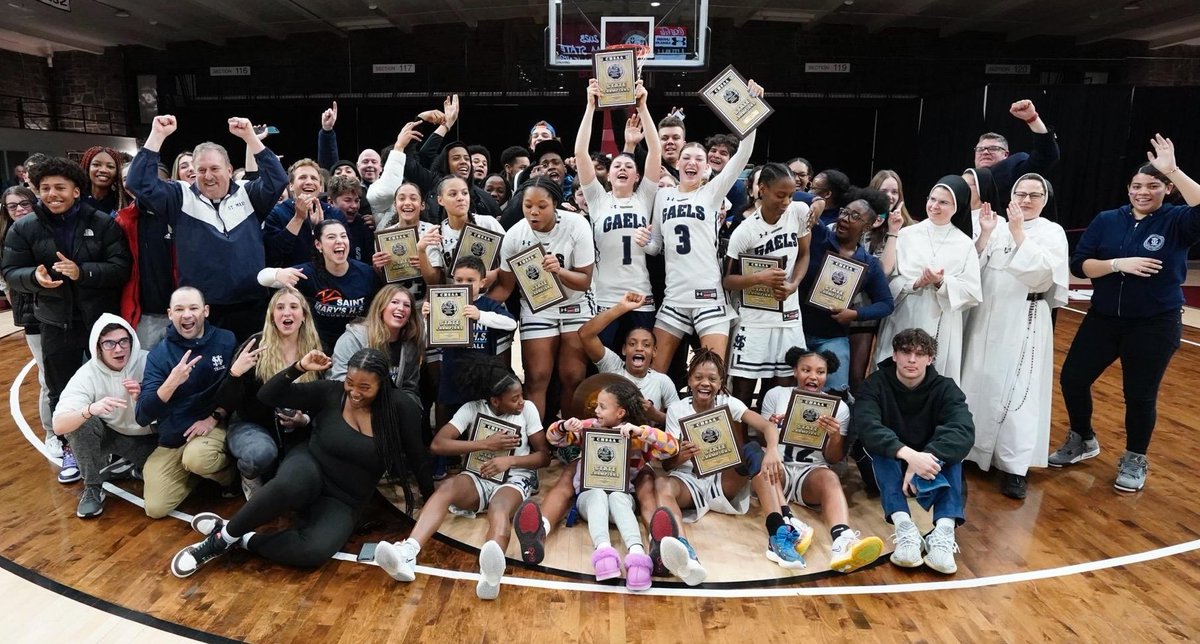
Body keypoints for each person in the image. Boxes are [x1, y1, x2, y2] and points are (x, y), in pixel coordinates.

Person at [169, 347, 424, 576]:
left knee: (313, 553)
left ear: (383, 384)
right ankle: (216, 543)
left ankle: (241, 538)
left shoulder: (401, 408)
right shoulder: (332, 392)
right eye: (350, 382)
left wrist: (430, 498)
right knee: (288, 485)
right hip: (310, 466)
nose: (354, 392)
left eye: (365, 387)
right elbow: (268, 395)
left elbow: (417, 456)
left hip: (345, 499)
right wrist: (299, 367)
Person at [1051, 134, 1200, 492]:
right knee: (1072, 379)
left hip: (1154, 323)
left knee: (1139, 395)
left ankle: (1135, 457)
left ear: (1167, 189)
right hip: (1103, 318)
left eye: (1153, 185)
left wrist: (1174, 169)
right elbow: (1080, 265)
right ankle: (1083, 439)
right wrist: (1119, 264)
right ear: (1127, 188)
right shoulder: (1107, 219)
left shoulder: (1178, 221)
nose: (1143, 192)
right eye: (1136, 185)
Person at [376, 360, 549, 599]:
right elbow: (438, 444)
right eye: (515, 398)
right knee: (446, 488)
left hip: (514, 477)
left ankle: (490, 577)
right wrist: (485, 444)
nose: (521, 402)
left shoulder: (527, 410)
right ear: (495, 401)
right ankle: (408, 552)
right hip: (478, 474)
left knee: (498, 509)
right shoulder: (471, 408)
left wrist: (509, 461)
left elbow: (544, 457)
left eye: (521, 396)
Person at [126, 115, 289, 342]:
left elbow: (278, 180)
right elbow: (137, 181)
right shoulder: (179, 197)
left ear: (230, 169)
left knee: (252, 372)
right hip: (203, 310)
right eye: (201, 170)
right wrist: (158, 135)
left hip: (251, 305)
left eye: (215, 168)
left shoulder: (248, 193)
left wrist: (250, 137)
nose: (208, 176)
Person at [1, 157, 132, 433]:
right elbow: (11, 271)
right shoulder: (23, 228)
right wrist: (33, 279)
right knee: (61, 390)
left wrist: (81, 272)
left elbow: (121, 268)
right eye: (45, 187)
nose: (52, 194)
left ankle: (118, 443)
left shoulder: (103, 224)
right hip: (55, 321)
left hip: (99, 321)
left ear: (76, 191)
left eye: (60, 187)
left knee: (113, 383)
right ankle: (68, 445)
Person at [650, 80, 761, 372]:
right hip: (674, 296)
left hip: (709, 297)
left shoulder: (712, 194)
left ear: (707, 168)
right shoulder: (662, 196)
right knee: (655, 375)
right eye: (686, 157)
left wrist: (750, 110)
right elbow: (655, 247)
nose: (691, 161)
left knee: (712, 375)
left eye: (699, 158)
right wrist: (642, 239)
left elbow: (744, 154)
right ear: (678, 162)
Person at [855, 328, 974, 575]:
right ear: (895, 355)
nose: (912, 359)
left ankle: (943, 532)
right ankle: (904, 528)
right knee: (880, 449)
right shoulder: (875, 384)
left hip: (926, 468)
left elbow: (963, 430)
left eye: (920, 354)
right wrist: (909, 456)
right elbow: (867, 426)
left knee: (952, 455)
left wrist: (924, 458)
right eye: (906, 352)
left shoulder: (945, 388)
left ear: (930, 359)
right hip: (889, 465)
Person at [655, 349, 779, 585]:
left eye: (712, 379)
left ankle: (779, 528)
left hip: (723, 480)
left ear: (721, 383)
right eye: (699, 377)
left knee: (755, 451)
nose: (705, 383)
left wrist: (772, 449)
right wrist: (681, 455)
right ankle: (684, 550)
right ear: (690, 379)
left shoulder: (727, 403)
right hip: (689, 480)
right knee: (661, 483)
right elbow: (667, 463)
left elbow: (767, 427)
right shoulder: (677, 410)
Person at [758, 347, 884, 573]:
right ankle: (786, 524)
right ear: (795, 371)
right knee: (763, 467)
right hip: (781, 471)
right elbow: (763, 441)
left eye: (820, 371)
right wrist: (774, 425)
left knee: (830, 477)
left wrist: (834, 435)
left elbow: (833, 458)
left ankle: (842, 539)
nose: (813, 376)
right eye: (806, 370)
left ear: (827, 375)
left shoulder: (839, 408)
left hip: (811, 474)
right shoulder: (776, 395)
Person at [547, 379, 678, 590]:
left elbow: (672, 447)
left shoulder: (635, 434)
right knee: (598, 493)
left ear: (620, 413)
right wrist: (564, 425)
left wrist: (642, 431)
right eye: (597, 405)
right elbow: (554, 440)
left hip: (622, 500)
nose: (596, 410)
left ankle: (637, 555)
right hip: (589, 499)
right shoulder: (588, 427)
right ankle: (603, 553)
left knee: (617, 496)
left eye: (602, 406)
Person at [492, 177, 595, 419]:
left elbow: (585, 281)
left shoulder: (577, 225)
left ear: (555, 204)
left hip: (575, 304)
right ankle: (535, 441)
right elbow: (506, 289)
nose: (533, 212)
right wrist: (472, 304)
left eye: (541, 206)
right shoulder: (515, 235)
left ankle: (570, 439)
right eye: (528, 206)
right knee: (537, 377)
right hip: (538, 308)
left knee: (573, 376)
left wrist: (558, 270)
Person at [134, 287, 238, 518]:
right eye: (179, 309)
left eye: (193, 308)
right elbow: (142, 415)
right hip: (174, 438)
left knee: (197, 458)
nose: (187, 315)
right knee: (154, 508)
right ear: (170, 314)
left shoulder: (226, 340)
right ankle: (196, 475)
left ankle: (231, 477)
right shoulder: (159, 355)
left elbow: (237, 390)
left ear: (206, 311)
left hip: (213, 427)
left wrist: (215, 417)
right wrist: (171, 383)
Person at [575, 78, 662, 350]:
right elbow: (580, 153)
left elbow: (656, 150)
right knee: (606, 368)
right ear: (608, 175)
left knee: (639, 363)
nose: (622, 167)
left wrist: (643, 106)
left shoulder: (644, 197)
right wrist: (591, 107)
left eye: (628, 165)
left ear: (637, 177)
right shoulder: (598, 199)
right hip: (605, 297)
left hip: (640, 295)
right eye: (617, 166)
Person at [216, 288, 324, 499]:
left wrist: (306, 419)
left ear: (304, 315)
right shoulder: (255, 345)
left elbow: (323, 398)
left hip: (297, 431)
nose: (287, 313)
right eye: (280, 307)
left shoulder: (316, 347)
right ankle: (248, 476)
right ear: (272, 316)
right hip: (252, 424)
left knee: (297, 485)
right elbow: (226, 401)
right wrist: (235, 373)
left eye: (294, 307)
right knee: (261, 454)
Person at [329, 284, 433, 498]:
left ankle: (426, 489)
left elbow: (410, 387)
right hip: (354, 406)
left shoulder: (410, 345)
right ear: (380, 307)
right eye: (394, 302)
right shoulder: (354, 338)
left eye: (406, 305)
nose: (401, 308)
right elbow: (339, 381)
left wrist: (411, 410)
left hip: (391, 408)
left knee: (409, 409)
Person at [874, 175, 981, 382]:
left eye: (943, 202)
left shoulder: (964, 243)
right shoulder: (907, 234)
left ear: (957, 206)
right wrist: (916, 283)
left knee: (933, 377)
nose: (934, 206)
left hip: (942, 319)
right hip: (904, 314)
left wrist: (940, 282)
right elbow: (887, 279)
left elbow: (972, 291)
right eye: (932, 199)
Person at [51, 314, 158, 518]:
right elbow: (59, 425)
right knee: (80, 422)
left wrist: (147, 397)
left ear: (132, 340)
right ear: (98, 347)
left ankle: (131, 467)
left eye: (123, 341)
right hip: (114, 436)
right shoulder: (87, 374)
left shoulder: (150, 360)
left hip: (152, 437)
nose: (118, 349)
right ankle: (92, 486)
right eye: (109, 343)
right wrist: (90, 410)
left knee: (180, 477)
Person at [723, 163, 811, 406]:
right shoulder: (745, 231)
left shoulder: (799, 212)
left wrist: (794, 284)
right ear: (762, 189)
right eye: (780, 195)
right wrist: (758, 278)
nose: (786, 202)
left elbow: (804, 255)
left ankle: (770, 442)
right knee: (742, 392)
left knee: (782, 394)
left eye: (791, 195)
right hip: (754, 319)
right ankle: (741, 444)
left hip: (789, 317)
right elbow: (728, 280)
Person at [798, 188, 895, 394]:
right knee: (784, 390)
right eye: (844, 212)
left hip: (832, 336)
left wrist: (856, 314)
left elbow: (886, 304)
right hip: (796, 328)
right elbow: (795, 196)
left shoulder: (869, 263)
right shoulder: (819, 236)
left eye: (854, 216)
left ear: (867, 226)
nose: (844, 218)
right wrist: (817, 201)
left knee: (837, 395)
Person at [260, 219, 383, 351]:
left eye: (343, 236)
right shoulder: (308, 273)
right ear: (318, 245)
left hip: (358, 344)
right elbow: (261, 277)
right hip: (318, 346)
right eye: (331, 237)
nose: (339, 241)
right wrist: (278, 273)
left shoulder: (367, 273)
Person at [3, 186, 57, 456]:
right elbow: (8, 279)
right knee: (48, 377)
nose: (19, 210)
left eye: (24, 204)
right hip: (33, 319)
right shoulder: (8, 239)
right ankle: (52, 433)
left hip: (57, 313)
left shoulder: (44, 230)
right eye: (12, 206)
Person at [420, 175, 505, 289]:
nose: (461, 198)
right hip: (457, 299)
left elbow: (510, 257)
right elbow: (433, 281)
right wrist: (421, 251)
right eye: (453, 194)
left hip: (489, 297)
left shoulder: (488, 222)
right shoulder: (437, 233)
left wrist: (495, 273)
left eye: (464, 193)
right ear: (440, 200)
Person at [973, 99, 1060, 208]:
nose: (985, 152)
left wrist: (1032, 118)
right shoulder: (966, 179)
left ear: (1006, 154)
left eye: (993, 148)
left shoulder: (1013, 169)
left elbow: (1047, 155)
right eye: (980, 149)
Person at [263, 159, 347, 268]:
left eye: (314, 178)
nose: (309, 182)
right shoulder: (276, 213)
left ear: (321, 187)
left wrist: (321, 229)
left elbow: (344, 253)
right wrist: (298, 218)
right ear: (291, 185)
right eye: (302, 177)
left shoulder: (335, 214)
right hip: (291, 279)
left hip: (328, 279)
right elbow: (273, 254)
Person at [80, 146, 125, 215]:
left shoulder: (122, 203)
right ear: (87, 168)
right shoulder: (76, 199)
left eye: (110, 166)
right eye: (96, 165)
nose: (103, 170)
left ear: (117, 172)